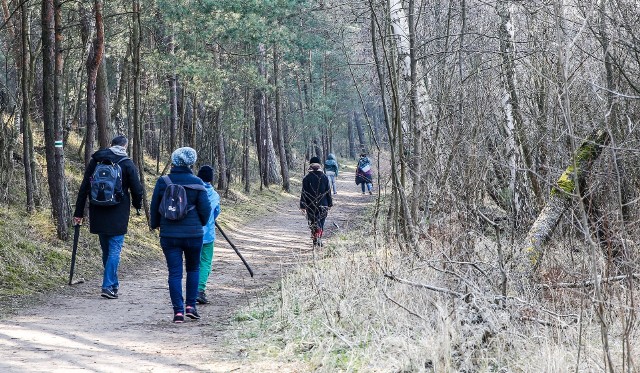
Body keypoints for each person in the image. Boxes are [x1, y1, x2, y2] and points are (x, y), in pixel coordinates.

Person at [73, 135, 144, 299]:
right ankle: (107, 286)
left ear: (110, 145)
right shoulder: (127, 163)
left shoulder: (96, 161)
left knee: (106, 250)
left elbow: (84, 187)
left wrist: (78, 214)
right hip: (118, 212)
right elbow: (137, 189)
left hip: (98, 211)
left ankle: (112, 284)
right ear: (124, 146)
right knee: (115, 251)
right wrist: (137, 205)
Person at [149, 147, 211, 323]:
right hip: (193, 235)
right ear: (191, 162)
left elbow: (155, 208)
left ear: (174, 161)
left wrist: (156, 226)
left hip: (169, 235)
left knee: (174, 273)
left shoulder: (163, 181)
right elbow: (205, 212)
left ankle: (178, 312)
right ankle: (191, 306)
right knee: (193, 269)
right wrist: (199, 223)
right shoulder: (198, 182)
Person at [195, 165, 221, 305]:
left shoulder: (193, 190)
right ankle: (200, 290)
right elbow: (216, 212)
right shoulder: (214, 194)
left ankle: (192, 289)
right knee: (205, 262)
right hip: (208, 234)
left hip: (193, 232)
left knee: (194, 262)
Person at [300, 156, 333, 246]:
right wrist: (330, 203)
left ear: (310, 165)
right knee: (321, 222)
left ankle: (316, 237)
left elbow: (304, 192)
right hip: (324, 204)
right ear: (319, 165)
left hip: (310, 204)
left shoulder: (306, 178)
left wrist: (302, 205)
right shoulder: (324, 177)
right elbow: (328, 191)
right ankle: (318, 238)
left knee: (313, 222)